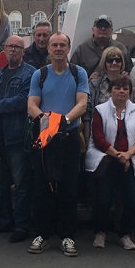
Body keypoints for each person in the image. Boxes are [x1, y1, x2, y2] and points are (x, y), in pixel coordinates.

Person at [27, 32, 89, 256]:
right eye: (54, 45)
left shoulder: (78, 73)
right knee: (42, 187)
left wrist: (64, 121)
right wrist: (47, 120)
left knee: (69, 187)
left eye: (62, 45)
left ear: (69, 48)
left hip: (69, 137)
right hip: (45, 138)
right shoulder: (40, 74)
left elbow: (82, 104)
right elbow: (31, 104)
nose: (58, 48)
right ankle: (43, 234)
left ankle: (67, 235)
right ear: (49, 49)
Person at [86, 75, 135, 250]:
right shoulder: (100, 110)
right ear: (110, 91)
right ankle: (100, 232)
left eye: (125, 88)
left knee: (133, 200)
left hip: (129, 161)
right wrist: (118, 155)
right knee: (103, 199)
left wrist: (128, 155)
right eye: (117, 88)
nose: (121, 91)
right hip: (107, 160)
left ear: (130, 92)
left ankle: (125, 234)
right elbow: (98, 138)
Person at [0, 36, 36, 243]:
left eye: (17, 47)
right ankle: (3, 220)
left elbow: (24, 100)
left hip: (17, 137)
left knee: (21, 184)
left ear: (23, 51)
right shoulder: (0, 72)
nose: (13, 50)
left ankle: (22, 225)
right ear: (4, 50)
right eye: (9, 47)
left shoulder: (30, 73)